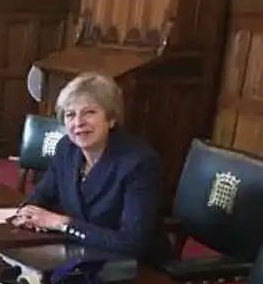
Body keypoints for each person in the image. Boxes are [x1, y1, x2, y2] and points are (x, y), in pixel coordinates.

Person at [11, 72, 171, 264]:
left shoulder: (139, 163)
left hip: (136, 270)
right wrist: (27, 214)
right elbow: (42, 195)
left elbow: (132, 243)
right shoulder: (66, 148)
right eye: (71, 114)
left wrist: (62, 223)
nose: (78, 123)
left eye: (89, 112)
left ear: (111, 119)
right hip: (80, 255)